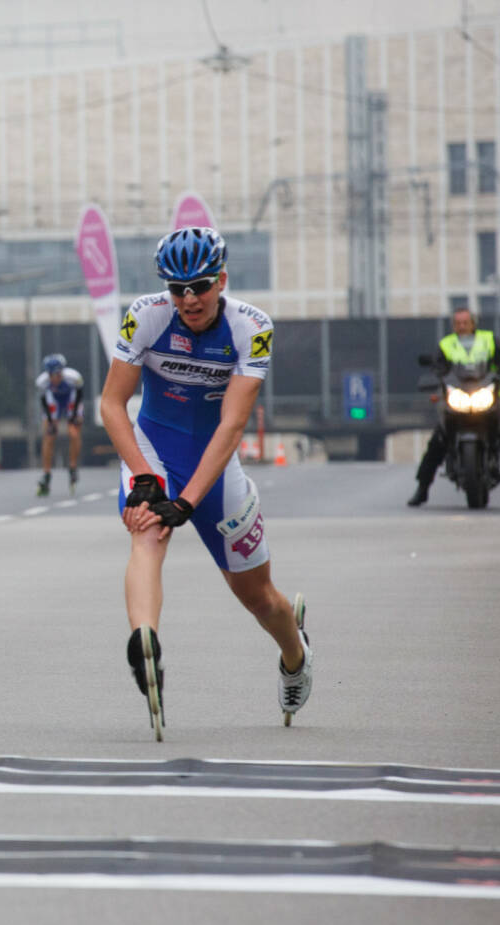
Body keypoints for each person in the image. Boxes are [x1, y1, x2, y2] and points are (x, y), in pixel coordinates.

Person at [99, 227, 312, 738]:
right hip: (153, 447)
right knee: (147, 532)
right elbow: (111, 404)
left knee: (259, 599)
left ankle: (295, 652)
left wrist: (189, 500)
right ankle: (144, 643)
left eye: (199, 286)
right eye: (178, 289)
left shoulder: (252, 327)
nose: (189, 299)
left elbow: (232, 425)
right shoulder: (145, 315)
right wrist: (148, 479)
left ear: (222, 279)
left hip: (213, 463)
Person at [407, 306, 500, 506]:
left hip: (488, 396)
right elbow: (437, 367)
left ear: (473, 323)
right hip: (456, 398)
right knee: (438, 441)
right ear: (453, 325)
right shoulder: (447, 344)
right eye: (458, 323)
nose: (462, 326)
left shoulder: (489, 340)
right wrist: (434, 377)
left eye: (465, 322)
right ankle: (422, 488)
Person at [35, 353, 85, 496]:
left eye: (57, 374)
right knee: (49, 435)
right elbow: (44, 402)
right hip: (54, 401)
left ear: (62, 372)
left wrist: (75, 416)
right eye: (51, 375)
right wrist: (51, 422)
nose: (54, 378)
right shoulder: (42, 382)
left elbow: (79, 395)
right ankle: (46, 474)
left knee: (74, 433)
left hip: (71, 400)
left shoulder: (74, 377)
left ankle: (73, 468)